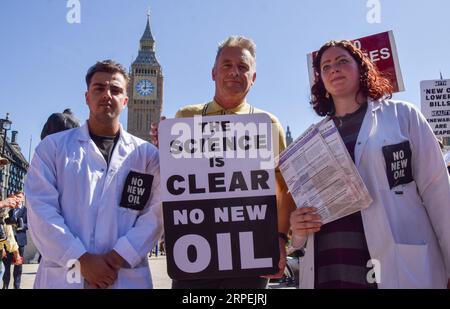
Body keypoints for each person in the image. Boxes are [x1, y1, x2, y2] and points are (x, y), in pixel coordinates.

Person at [290, 40, 450, 289]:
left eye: (343, 61)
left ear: (361, 68)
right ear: (320, 80)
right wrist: (298, 228)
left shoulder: (402, 117)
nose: (334, 69)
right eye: (326, 66)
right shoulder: (310, 140)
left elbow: (438, 193)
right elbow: (306, 219)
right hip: (330, 267)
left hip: (393, 267)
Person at [151, 36, 296, 289]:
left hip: (253, 251)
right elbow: (177, 183)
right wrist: (163, 150)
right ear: (213, 73)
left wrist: (280, 240)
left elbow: (285, 189)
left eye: (243, 67)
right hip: (194, 252)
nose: (234, 72)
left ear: (253, 77)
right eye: (227, 65)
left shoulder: (269, 123)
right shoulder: (186, 117)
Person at [25, 60, 163, 289]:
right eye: (99, 88)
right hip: (65, 279)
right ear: (87, 96)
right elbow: (41, 211)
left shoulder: (147, 155)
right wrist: (81, 260)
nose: (107, 95)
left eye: (116, 90)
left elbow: (157, 213)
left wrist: (118, 257)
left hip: (125, 277)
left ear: (126, 101)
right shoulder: (52, 148)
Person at [2, 192, 27, 289]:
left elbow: (30, 224)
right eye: (17, 197)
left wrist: (22, 226)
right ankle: (5, 286)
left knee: (18, 265)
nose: (18, 198)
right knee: (6, 265)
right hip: (8, 241)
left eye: (20, 197)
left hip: (20, 240)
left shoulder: (26, 210)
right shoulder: (9, 209)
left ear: (23, 199)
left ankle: (17, 286)